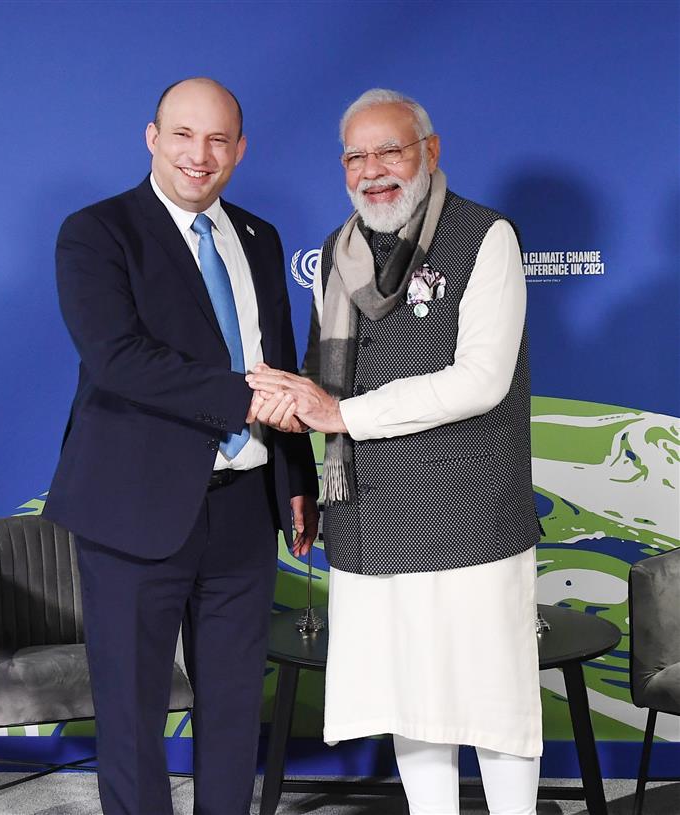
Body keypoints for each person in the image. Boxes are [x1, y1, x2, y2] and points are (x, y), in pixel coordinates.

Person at [247, 88, 542, 815]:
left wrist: (335, 410)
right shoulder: (336, 254)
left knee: (492, 700)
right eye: (355, 155)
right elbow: (320, 385)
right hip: (368, 521)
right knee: (407, 699)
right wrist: (273, 398)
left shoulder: (485, 235)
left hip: (469, 517)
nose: (371, 169)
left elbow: (480, 379)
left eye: (389, 150)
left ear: (429, 153)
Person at [44, 77, 319, 815]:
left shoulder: (259, 237)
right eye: (184, 135)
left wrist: (297, 473)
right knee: (132, 714)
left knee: (232, 709)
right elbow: (118, 358)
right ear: (152, 138)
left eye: (218, 140)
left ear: (239, 149)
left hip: (242, 513)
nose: (201, 155)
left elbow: (279, 355)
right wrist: (248, 399)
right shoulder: (97, 231)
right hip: (134, 511)